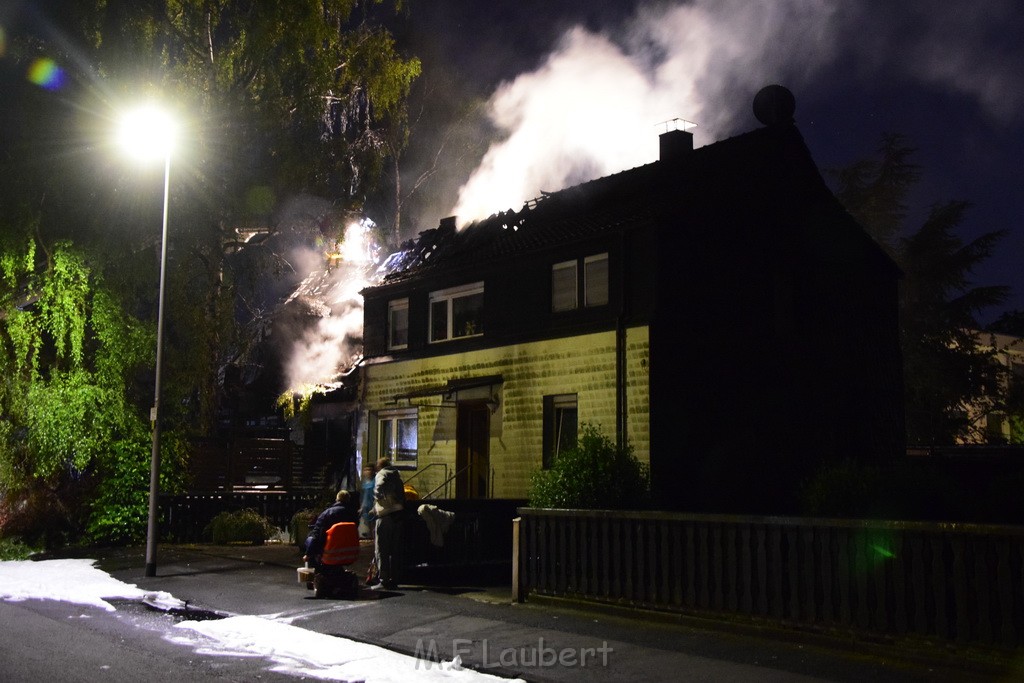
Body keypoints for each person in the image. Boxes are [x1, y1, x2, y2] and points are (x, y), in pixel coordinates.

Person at [372, 457, 406, 589]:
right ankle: (395, 577)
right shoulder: (397, 475)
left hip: (385, 515)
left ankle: (383, 579)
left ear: (380, 465)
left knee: (381, 548)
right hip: (397, 516)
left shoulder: (382, 474)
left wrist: (378, 497)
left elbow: (379, 488)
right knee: (395, 549)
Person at [303, 490, 358, 570]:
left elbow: (317, 534)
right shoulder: (353, 514)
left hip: (331, 551)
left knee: (310, 539)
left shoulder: (327, 514)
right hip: (350, 552)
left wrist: (308, 554)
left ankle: (317, 571)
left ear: (337, 499)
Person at [358, 464, 377, 539]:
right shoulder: (364, 482)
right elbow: (363, 496)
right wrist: (361, 506)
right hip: (365, 507)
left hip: (373, 506)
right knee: (367, 526)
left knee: (374, 525)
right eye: (366, 470)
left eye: (369, 470)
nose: (368, 472)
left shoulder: (375, 481)